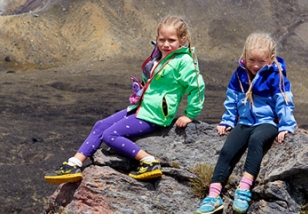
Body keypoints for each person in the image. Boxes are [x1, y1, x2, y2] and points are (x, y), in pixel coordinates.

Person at [44, 15, 205, 183]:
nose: (166, 44)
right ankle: (74, 164)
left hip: (156, 114)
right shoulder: (161, 56)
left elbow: (197, 86)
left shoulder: (184, 60)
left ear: (182, 39)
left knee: (110, 135)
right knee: (100, 125)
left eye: (171, 40)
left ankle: (149, 161)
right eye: (161, 39)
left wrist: (190, 114)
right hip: (141, 108)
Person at [196, 32, 296, 214]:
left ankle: (243, 190)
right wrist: (227, 120)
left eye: (262, 61)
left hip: (268, 122)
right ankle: (213, 196)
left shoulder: (276, 76)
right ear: (244, 57)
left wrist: (286, 126)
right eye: (251, 60)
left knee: (256, 141)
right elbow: (232, 99)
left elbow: (283, 102)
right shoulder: (240, 74)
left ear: (271, 59)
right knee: (228, 150)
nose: (256, 66)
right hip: (245, 121)